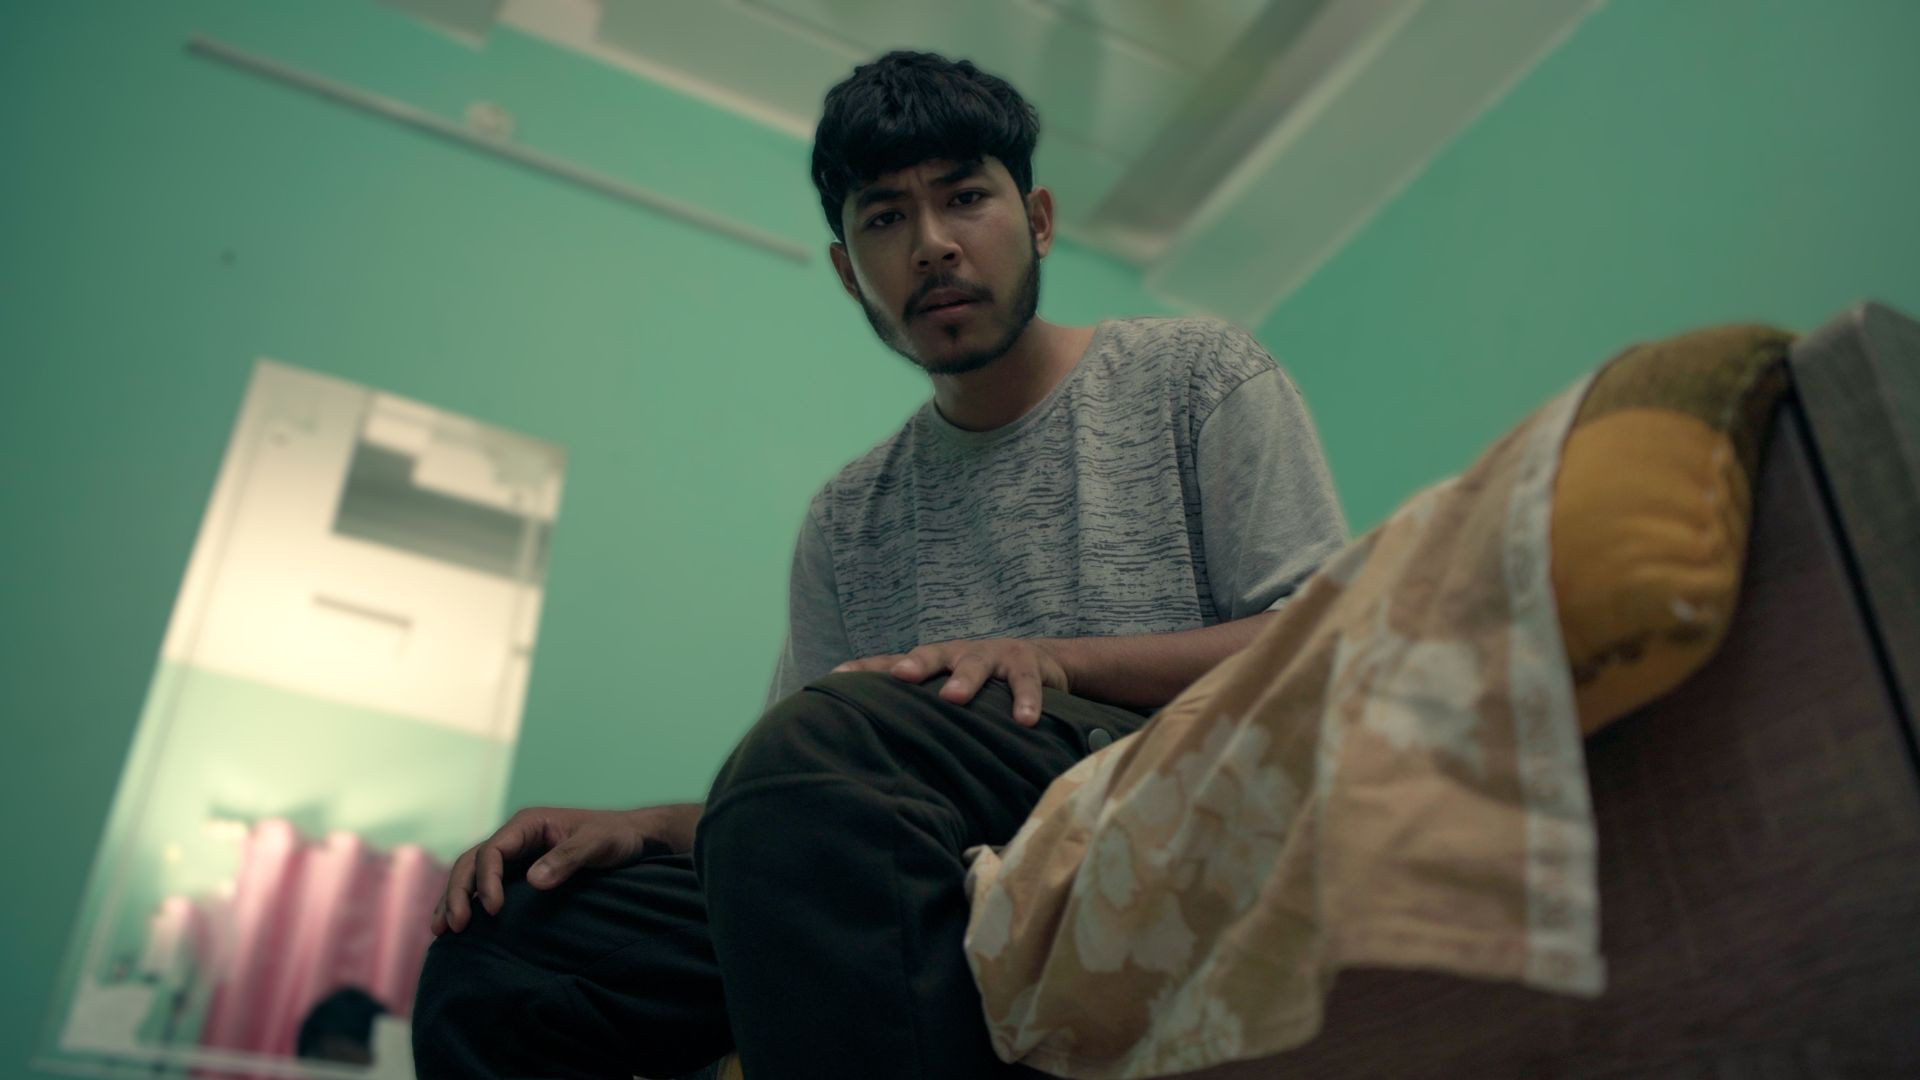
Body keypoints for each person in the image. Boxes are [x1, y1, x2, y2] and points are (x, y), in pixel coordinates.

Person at [411, 49, 1347, 1080]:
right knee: (509, 947)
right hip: (913, 860)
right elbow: (799, 806)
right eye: (888, 218)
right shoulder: (849, 515)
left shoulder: (1197, 376)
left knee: (827, 736)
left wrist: (1056, 659)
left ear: (1038, 220)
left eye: (965, 198)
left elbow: (1326, 640)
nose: (933, 244)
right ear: (849, 271)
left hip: (1139, 791)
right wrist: (644, 828)